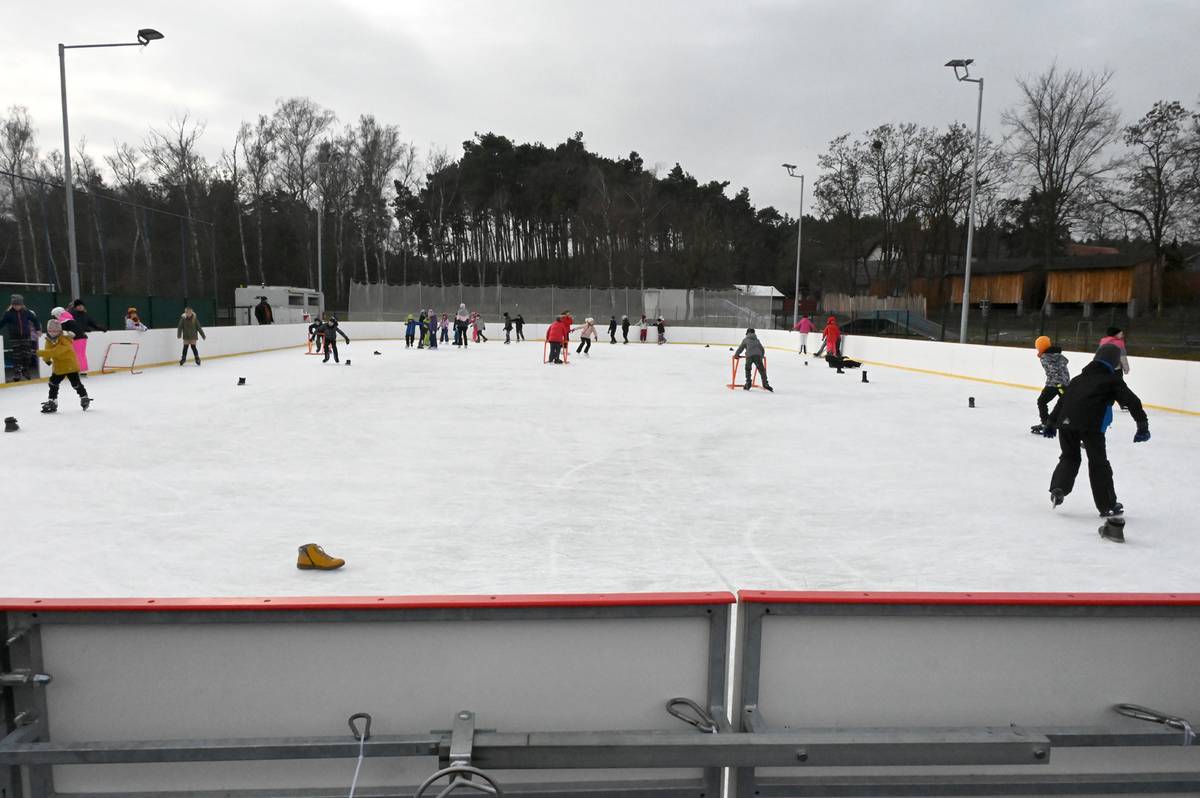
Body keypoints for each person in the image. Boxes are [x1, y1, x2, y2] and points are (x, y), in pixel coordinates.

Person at [1045, 344, 1150, 517]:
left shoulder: (1078, 379)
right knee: (1098, 463)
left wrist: (1050, 423)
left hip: (1066, 422)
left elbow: (1062, 401)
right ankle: (1107, 505)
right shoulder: (1112, 380)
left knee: (1069, 457)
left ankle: (1059, 488)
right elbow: (1132, 401)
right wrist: (1142, 425)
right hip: (1091, 426)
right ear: (1114, 362)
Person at [36, 319, 90, 412]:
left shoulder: (65, 339)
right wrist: (46, 359)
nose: (52, 333)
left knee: (75, 384)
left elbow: (56, 351)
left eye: (55, 331)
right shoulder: (49, 339)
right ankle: (52, 401)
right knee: (53, 383)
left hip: (70, 366)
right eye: (50, 331)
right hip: (59, 367)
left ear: (60, 331)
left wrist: (39, 353)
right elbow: (48, 349)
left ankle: (84, 397)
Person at [1032, 335, 1070, 434]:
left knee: (1041, 401)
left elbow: (1054, 371)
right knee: (1066, 404)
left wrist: (1058, 384)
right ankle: (1067, 423)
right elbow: (1062, 369)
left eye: (1038, 347)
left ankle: (1046, 423)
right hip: (1064, 383)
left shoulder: (1046, 358)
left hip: (1054, 384)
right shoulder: (1058, 355)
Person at [0, 294, 40, 381]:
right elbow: (2, 323)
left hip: (26, 336)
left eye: (18, 305)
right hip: (15, 337)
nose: (17, 307)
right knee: (17, 355)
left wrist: (38, 329)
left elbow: (35, 320)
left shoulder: (26, 312)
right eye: (14, 305)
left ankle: (25, 370)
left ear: (22, 305)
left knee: (27, 354)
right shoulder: (8, 313)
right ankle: (17, 372)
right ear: (12, 305)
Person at [51, 307, 90, 374]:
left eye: (54, 315)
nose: (54, 317)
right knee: (81, 354)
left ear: (57, 314)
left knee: (77, 354)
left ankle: (79, 370)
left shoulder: (63, 320)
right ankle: (83, 370)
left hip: (77, 338)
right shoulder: (70, 319)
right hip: (83, 337)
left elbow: (61, 331)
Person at [734, 327, 773, 392]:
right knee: (762, 370)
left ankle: (748, 382)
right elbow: (762, 349)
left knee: (748, 369)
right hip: (758, 356)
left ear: (747, 333)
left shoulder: (745, 339)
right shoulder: (757, 340)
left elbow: (740, 348)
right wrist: (762, 356)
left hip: (749, 356)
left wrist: (736, 355)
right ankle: (765, 383)